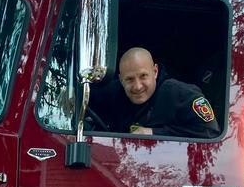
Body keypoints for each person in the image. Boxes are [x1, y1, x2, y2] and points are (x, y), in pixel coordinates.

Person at [90, 47, 220, 138]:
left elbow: (210, 132)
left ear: (155, 71)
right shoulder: (114, 92)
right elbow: (85, 98)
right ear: (120, 79)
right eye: (129, 79)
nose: (137, 86)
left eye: (143, 76)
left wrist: (154, 133)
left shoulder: (180, 94)